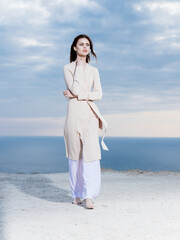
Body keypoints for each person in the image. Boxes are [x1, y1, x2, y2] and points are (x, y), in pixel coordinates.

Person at [62, 34, 109, 209]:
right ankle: (76, 194)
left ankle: (89, 196)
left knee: (91, 155)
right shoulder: (67, 68)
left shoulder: (94, 71)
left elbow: (99, 94)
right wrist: (79, 68)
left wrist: (78, 95)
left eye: (87, 45)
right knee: (75, 156)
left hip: (90, 113)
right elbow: (73, 87)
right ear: (74, 48)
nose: (84, 47)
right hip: (73, 114)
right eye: (81, 44)